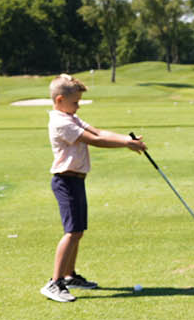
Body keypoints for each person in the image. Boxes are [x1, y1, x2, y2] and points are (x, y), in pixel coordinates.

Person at [40, 74, 146, 303]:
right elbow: (94, 140)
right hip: (65, 181)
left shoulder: (71, 117)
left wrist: (127, 140)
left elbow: (99, 132)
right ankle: (54, 282)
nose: (77, 106)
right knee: (72, 232)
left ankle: (69, 276)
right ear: (59, 100)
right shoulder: (61, 122)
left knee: (78, 231)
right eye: (75, 102)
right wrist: (124, 144)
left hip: (76, 180)